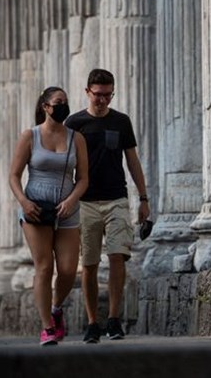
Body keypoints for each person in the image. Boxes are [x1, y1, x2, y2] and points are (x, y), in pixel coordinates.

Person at [65, 68, 150, 343]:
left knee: (117, 256)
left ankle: (114, 319)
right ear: (87, 92)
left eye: (107, 95)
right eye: (98, 94)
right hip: (86, 202)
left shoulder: (121, 121)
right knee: (88, 263)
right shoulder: (74, 123)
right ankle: (92, 322)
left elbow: (132, 160)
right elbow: (65, 164)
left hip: (117, 198)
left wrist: (144, 198)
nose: (102, 100)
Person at [9, 87, 89, 346]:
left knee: (67, 270)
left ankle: (56, 308)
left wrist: (71, 201)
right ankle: (47, 327)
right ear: (45, 106)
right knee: (44, 267)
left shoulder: (76, 138)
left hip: (67, 209)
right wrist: (24, 201)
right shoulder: (29, 136)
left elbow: (84, 179)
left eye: (66, 101)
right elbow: (14, 175)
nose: (63, 106)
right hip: (36, 209)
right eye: (58, 102)